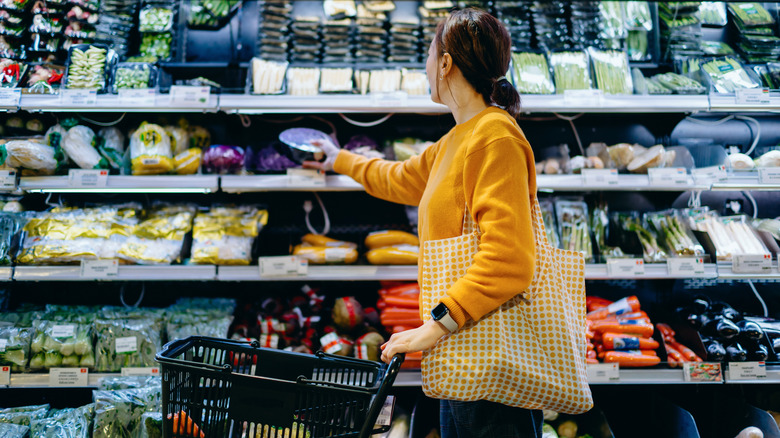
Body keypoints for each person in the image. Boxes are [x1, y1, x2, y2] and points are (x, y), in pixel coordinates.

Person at [306, 7, 541, 438]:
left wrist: (433, 326)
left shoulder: (496, 137)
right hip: (464, 354)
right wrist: (336, 156)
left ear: (446, 62)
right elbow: (395, 178)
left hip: (491, 364)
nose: (426, 66)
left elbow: (510, 259)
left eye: (429, 54)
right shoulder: (457, 139)